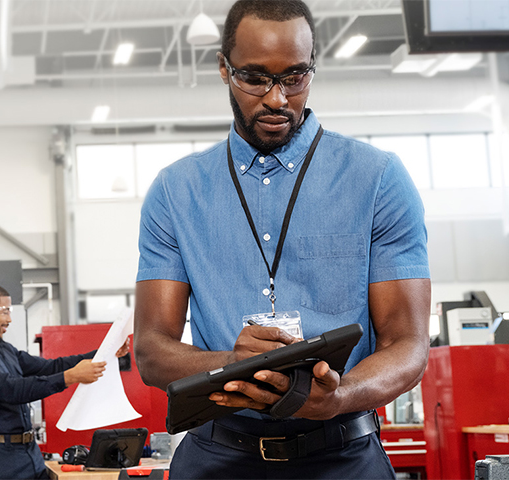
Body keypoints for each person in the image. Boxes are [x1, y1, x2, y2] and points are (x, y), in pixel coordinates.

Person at [133, 1, 431, 478]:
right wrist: (231, 363)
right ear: (222, 68)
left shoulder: (377, 180)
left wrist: (341, 397)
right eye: (254, 78)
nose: (276, 99)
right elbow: (151, 350)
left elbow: (409, 345)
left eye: (295, 78)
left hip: (344, 456)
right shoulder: (176, 191)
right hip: (218, 457)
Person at [0, 282, 130, 480]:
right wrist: (71, 377)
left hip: (28, 455)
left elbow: (49, 367)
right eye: (5, 311)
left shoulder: (3, 349)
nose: (9, 319)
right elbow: (11, 390)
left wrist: (103, 354)